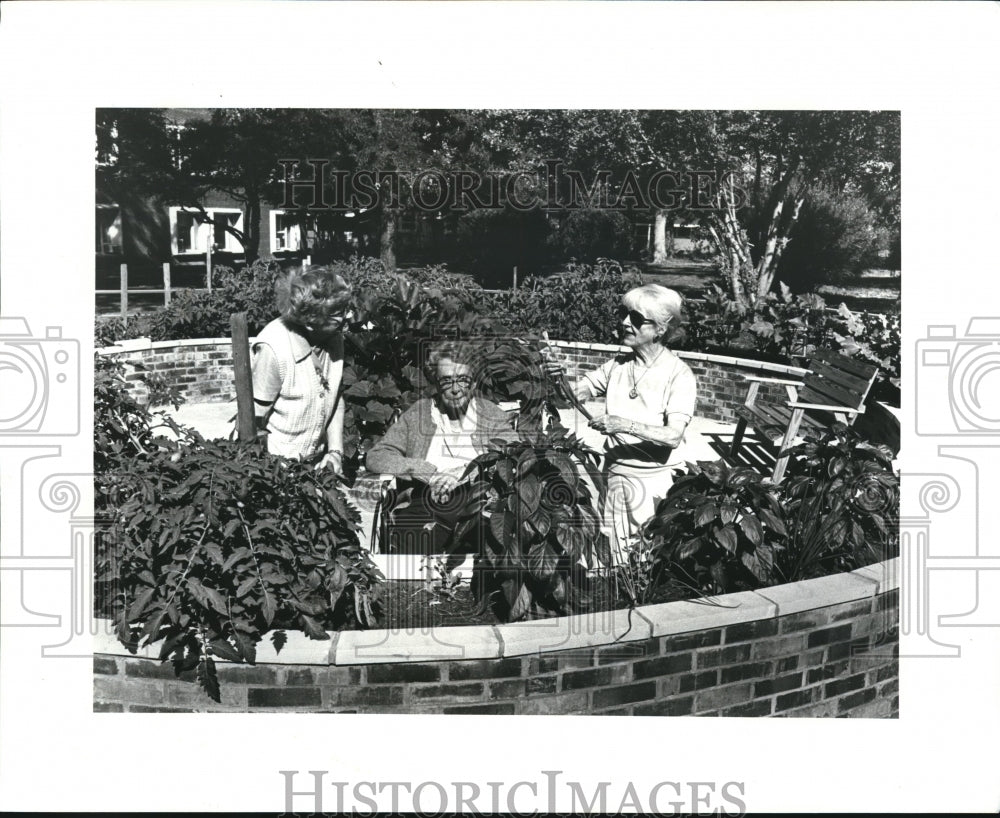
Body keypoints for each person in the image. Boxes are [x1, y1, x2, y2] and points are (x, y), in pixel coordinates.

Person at [547, 284, 697, 558]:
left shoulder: (679, 375)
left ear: (661, 329)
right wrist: (558, 378)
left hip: (654, 482)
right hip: (614, 474)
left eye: (637, 319)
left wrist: (624, 424)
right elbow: (570, 397)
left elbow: (673, 435)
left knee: (646, 557)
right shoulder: (618, 364)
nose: (625, 323)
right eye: (624, 314)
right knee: (614, 555)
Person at [365, 341, 518, 555]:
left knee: (480, 524)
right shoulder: (419, 414)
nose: (455, 389)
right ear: (436, 384)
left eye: (463, 380)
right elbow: (377, 456)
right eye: (446, 381)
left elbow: (512, 452)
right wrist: (427, 473)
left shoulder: (491, 415)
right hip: (423, 501)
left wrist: (462, 474)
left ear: (473, 383)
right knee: (411, 531)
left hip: (476, 503)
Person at [250, 265, 351, 473]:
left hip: (315, 468)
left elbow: (335, 396)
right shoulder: (274, 348)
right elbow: (253, 420)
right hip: (276, 469)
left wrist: (335, 452)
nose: (348, 316)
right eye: (339, 312)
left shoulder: (334, 337)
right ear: (313, 321)